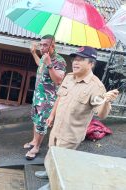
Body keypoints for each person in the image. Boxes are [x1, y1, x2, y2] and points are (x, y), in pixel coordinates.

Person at [35, 46, 119, 190]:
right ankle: (48, 172)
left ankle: (52, 184)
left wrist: (106, 101)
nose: (75, 62)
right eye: (75, 59)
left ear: (91, 64)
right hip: (57, 127)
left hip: (71, 134)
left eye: (81, 60)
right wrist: (52, 114)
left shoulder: (96, 87)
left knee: (61, 161)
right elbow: (60, 97)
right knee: (51, 151)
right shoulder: (69, 77)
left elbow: (102, 114)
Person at [24, 35, 67, 160]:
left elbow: (58, 80)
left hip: (48, 98)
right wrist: (34, 53)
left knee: (41, 122)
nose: (42, 47)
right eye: (41, 44)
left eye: (45, 45)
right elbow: (40, 65)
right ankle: (33, 141)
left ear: (52, 46)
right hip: (38, 95)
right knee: (35, 118)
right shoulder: (44, 56)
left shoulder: (59, 61)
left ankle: (36, 147)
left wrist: (49, 64)